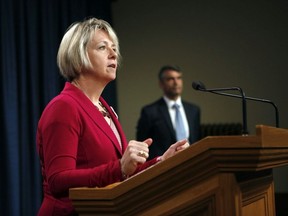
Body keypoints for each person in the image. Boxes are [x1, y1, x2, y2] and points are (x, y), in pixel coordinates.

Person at [36, 18, 189, 215]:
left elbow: (120, 175)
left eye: (114, 48)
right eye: (102, 47)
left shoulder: (105, 107)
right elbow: (58, 181)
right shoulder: (63, 107)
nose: (113, 53)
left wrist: (161, 161)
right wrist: (120, 168)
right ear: (78, 56)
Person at [136, 65, 201, 159]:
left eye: (179, 78)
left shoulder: (193, 110)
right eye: (170, 79)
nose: (176, 82)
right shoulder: (150, 112)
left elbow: (196, 141)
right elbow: (142, 145)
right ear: (161, 84)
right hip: (163, 167)